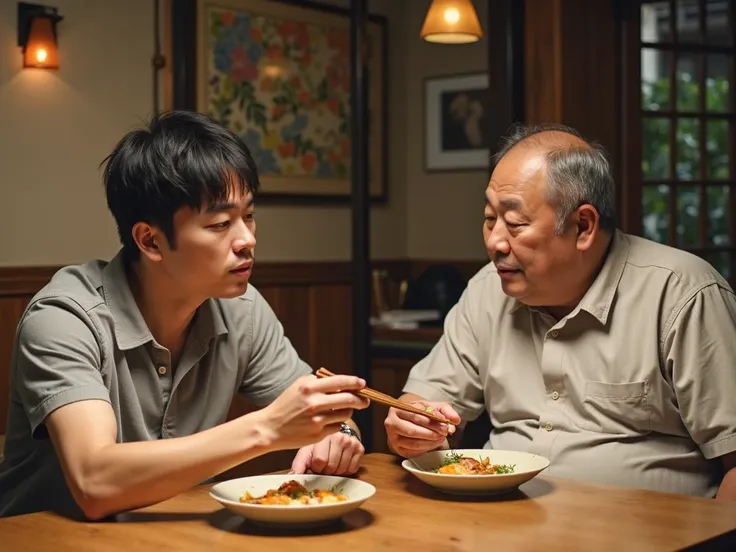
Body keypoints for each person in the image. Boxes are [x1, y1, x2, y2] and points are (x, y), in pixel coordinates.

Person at [0, 111, 369, 519]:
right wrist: (267, 429)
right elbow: (94, 482)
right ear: (151, 240)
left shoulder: (241, 309)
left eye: (248, 216)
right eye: (219, 224)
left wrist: (338, 438)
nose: (247, 239)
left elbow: (323, 416)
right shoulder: (64, 319)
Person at [384, 123, 736, 501]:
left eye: (515, 223)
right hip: (496, 521)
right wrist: (413, 425)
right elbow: (423, 399)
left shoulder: (682, 294)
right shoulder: (488, 289)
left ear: (583, 226)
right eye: (489, 219)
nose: (495, 242)